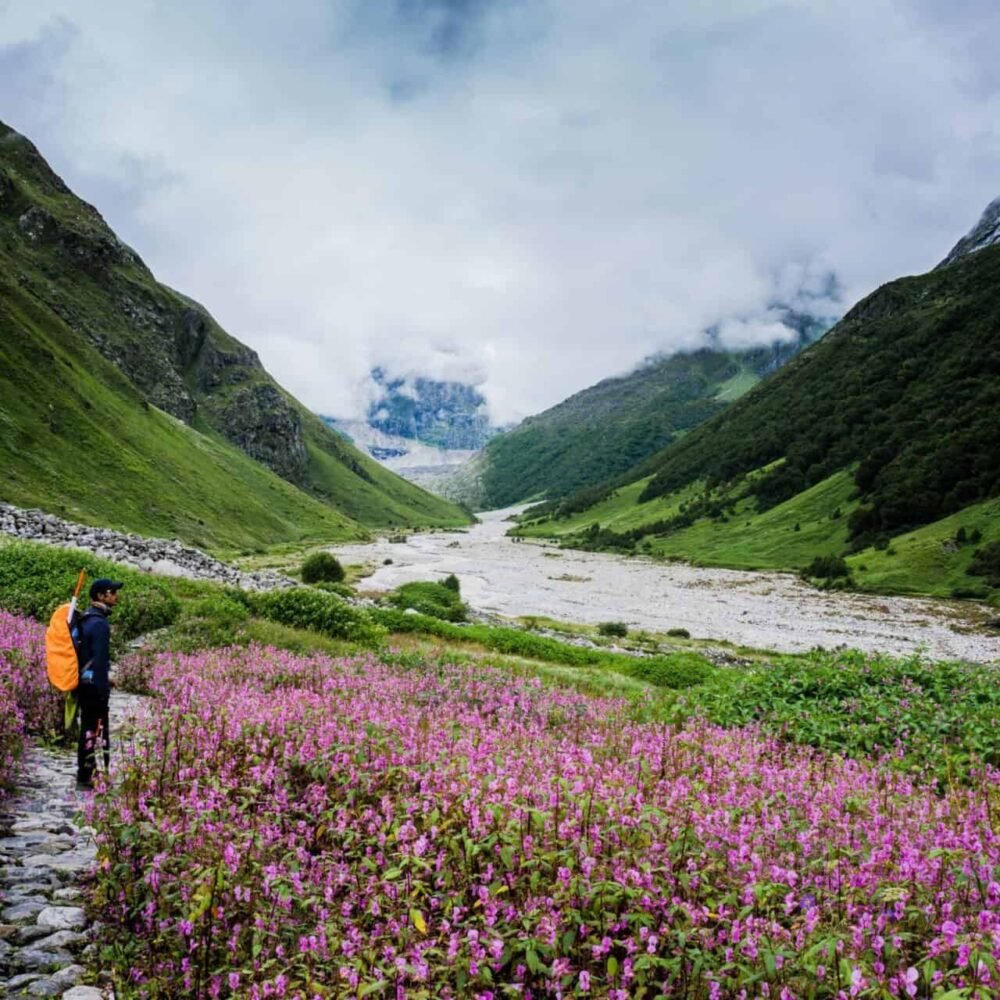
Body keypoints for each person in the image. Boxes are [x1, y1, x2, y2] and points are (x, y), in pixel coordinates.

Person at [76, 577, 123, 789]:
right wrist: (104, 688)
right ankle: (92, 776)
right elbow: (100, 659)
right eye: (112, 592)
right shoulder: (100, 624)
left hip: (83, 683)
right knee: (98, 730)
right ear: (101, 596)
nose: (116, 595)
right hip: (95, 687)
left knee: (87, 728)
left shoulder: (86, 618)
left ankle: (85, 773)